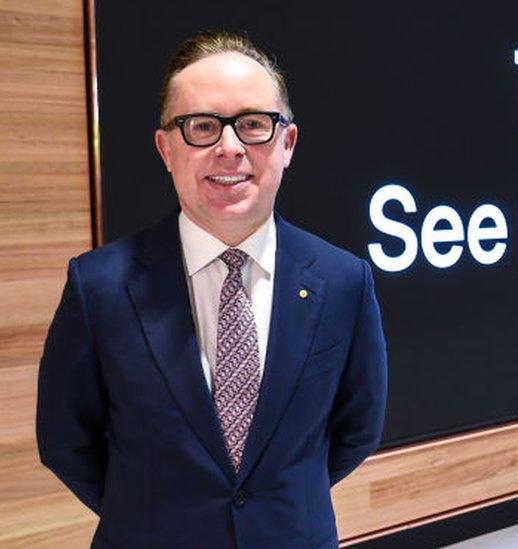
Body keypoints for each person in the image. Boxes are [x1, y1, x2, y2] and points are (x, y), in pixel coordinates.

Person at [35, 31, 387, 548]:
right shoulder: (99, 287)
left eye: (253, 125)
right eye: (201, 126)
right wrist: (149, 510)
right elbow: (66, 441)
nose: (229, 147)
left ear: (286, 143)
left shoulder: (343, 281)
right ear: (166, 148)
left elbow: (357, 431)